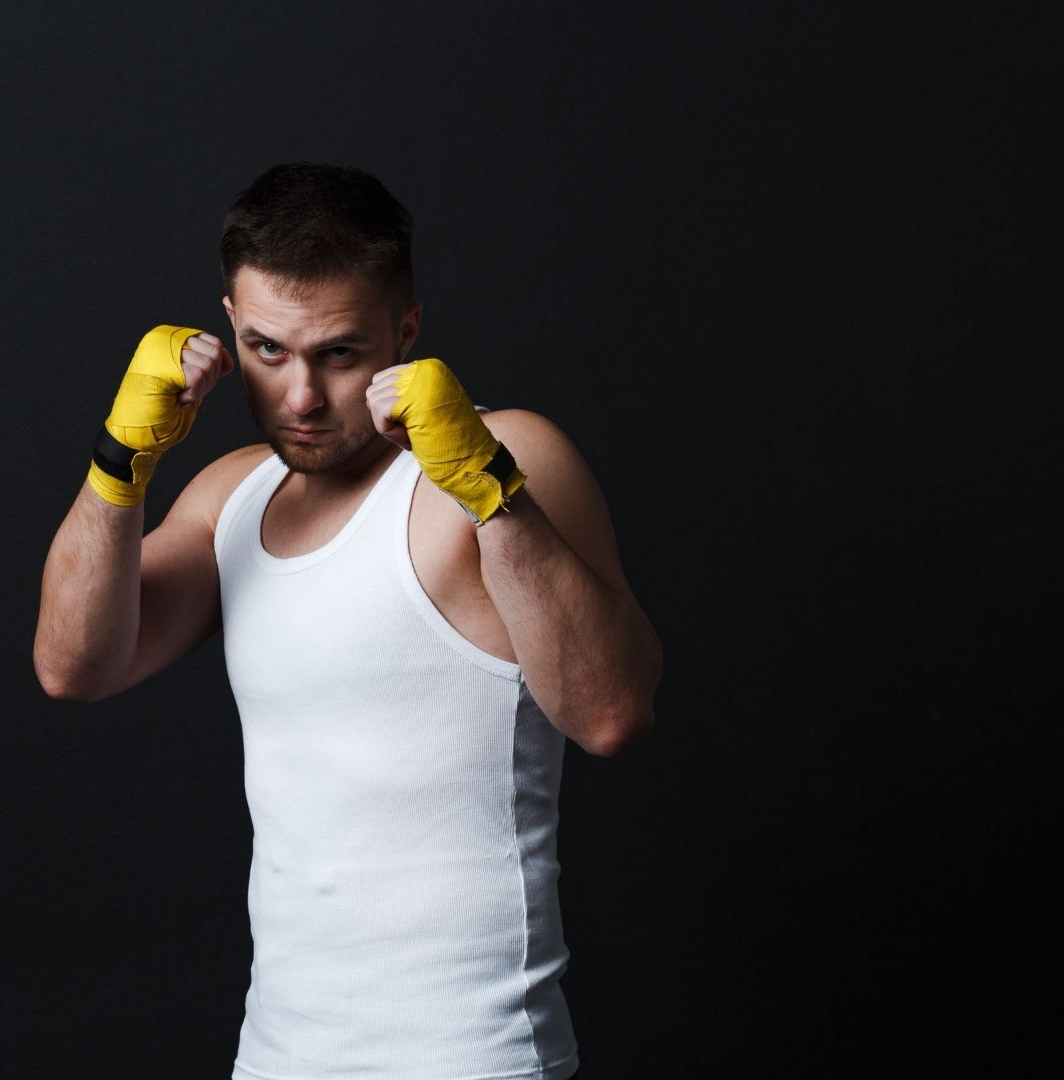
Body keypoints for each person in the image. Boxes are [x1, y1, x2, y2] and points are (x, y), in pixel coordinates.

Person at [33, 161, 661, 1080]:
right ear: (229, 324)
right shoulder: (230, 497)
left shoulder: (507, 457)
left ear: (405, 330)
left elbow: (613, 714)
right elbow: (73, 666)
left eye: (338, 353)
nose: (300, 397)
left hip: (471, 1057)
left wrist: (493, 497)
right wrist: (117, 462)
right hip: (280, 1054)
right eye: (268, 350)